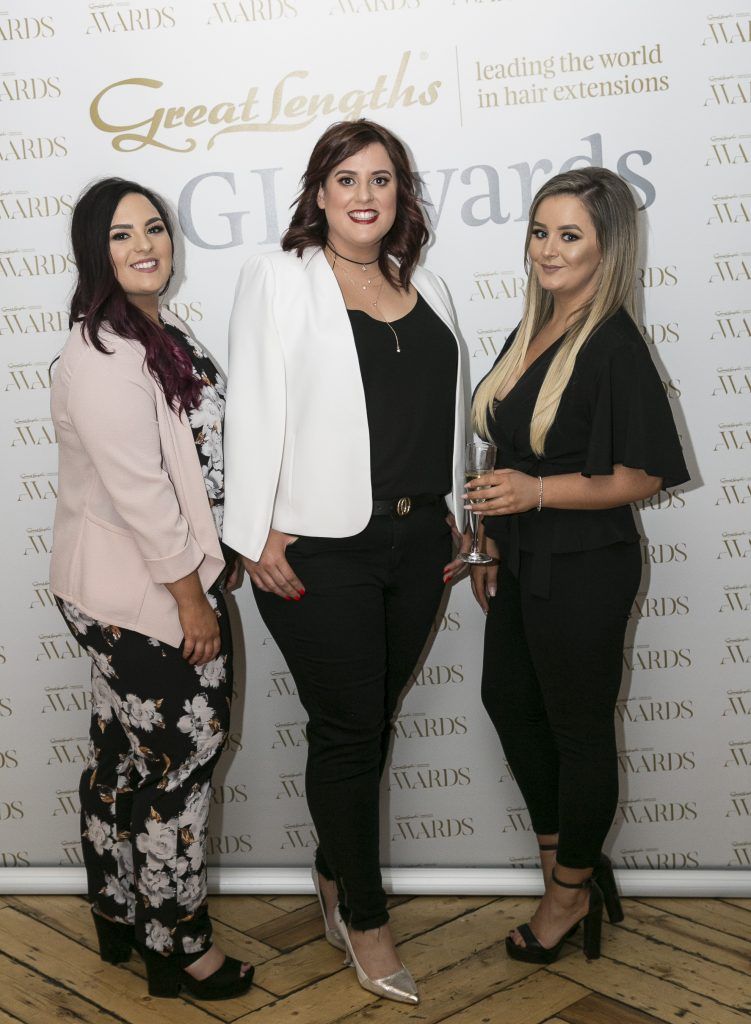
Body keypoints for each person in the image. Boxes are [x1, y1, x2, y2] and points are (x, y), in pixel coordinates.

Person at [223, 119, 465, 1004]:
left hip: (419, 541)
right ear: (318, 193)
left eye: (383, 179)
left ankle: (332, 871)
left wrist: (459, 516)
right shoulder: (277, 278)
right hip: (320, 547)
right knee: (349, 729)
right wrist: (256, 532)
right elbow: (250, 406)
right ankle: (364, 917)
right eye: (346, 178)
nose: (365, 194)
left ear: (401, 195)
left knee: (371, 723)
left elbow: (442, 412)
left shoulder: (426, 282)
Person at [467, 167, 689, 964]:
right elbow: (509, 439)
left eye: (569, 235)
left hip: (588, 565)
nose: (547, 249)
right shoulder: (533, 327)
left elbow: (643, 476)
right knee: (507, 700)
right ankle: (571, 864)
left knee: (579, 732)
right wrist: (493, 538)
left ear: (607, 249)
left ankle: (565, 896)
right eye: (538, 231)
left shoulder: (615, 342)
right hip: (524, 560)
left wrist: (531, 494)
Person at [50, 177, 253, 1001]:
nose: (145, 244)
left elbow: (191, 464)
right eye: (122, 234)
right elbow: (141, 491)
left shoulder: (152, 331)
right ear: (93, 252)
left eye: (156, 228)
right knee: (181, 766)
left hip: (135, 585)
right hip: (140, 595)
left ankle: (120, 912)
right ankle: (179, 947)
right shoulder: (101, 352)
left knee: (122, 757)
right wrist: (190, 598)